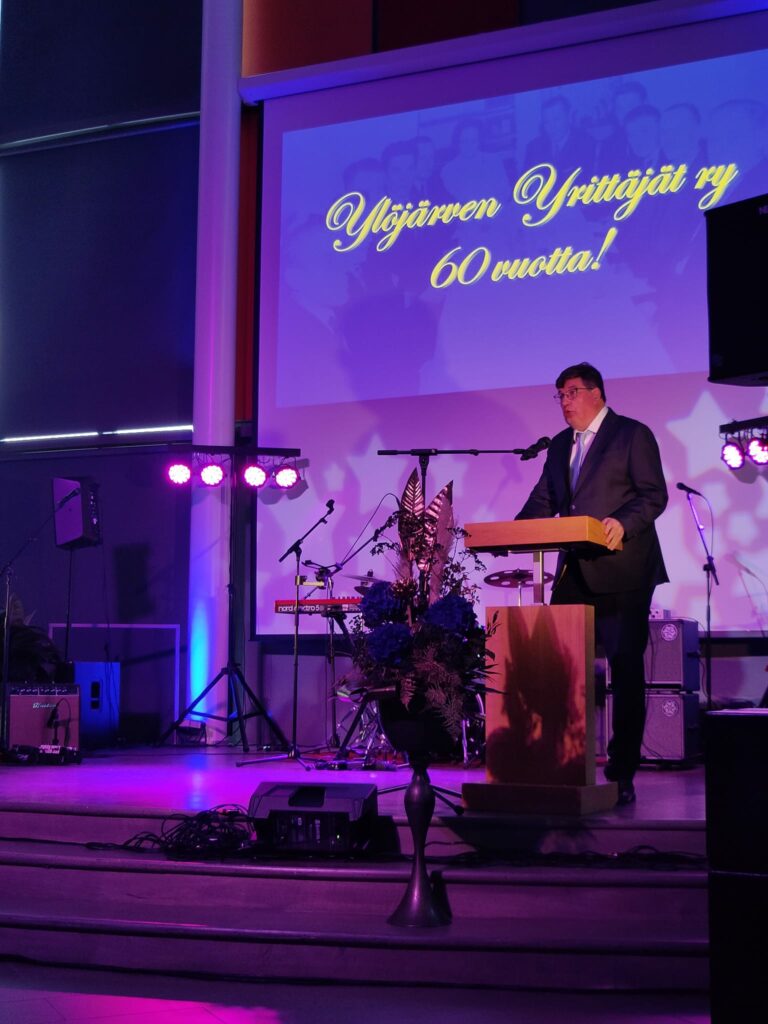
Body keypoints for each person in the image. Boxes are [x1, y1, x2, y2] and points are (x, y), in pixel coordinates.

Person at [516, 362, 668, 805]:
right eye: (560, 395)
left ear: (597, 393)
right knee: (558, 667)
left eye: (572, 392)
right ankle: (565, 762)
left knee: (624, 668)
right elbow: (544, 500)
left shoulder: (632, 434)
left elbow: (653, 494)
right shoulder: (560, 445)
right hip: (575, 571)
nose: (564, 402)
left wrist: (622, 522)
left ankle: (622, 773)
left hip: (624, 570)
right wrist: (511, 532)